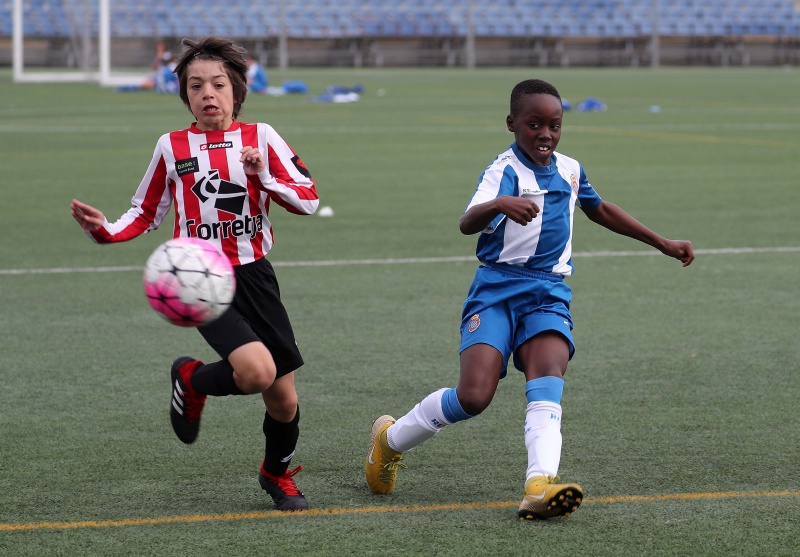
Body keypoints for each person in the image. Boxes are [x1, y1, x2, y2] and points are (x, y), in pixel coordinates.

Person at [364, 78, 694, 520]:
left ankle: (539, 485)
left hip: (549, 294)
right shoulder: (503, 170)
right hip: (497, 291)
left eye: (554, 125)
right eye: (534, 124)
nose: (545, 134)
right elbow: (467, 222)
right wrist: (501, 203)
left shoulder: (571, 170)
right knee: (474, 397)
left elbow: (600, 208)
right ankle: (388, 442)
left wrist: (661, 242)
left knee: (547, 380)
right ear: (512, 123)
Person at [71, 37, 319, 511]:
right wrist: (103, 231)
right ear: (185, 96)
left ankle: (275, 473)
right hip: (199, 279)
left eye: (218, 84)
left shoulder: (261, 138)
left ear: (237, 91)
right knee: (256, 372)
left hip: (256, 277)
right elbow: (145, 211)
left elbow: (308, 199)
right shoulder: (172, 146)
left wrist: (262, 176)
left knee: (283, 402)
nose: (208, 93)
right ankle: (193, 379)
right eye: (196, 85)